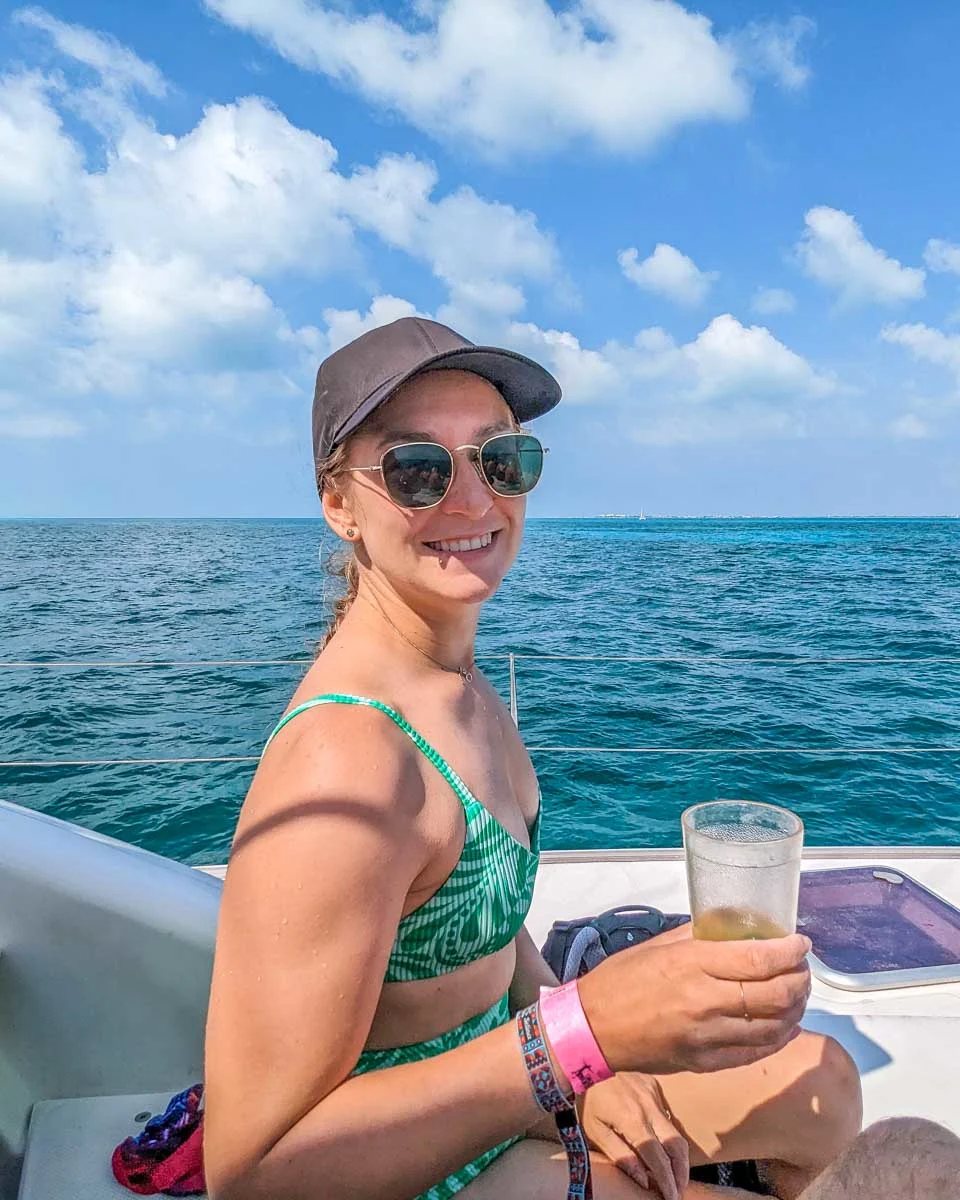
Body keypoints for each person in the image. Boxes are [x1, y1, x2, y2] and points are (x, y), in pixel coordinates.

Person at [203, 317, 862, 1200]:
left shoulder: (458, 685)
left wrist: (583, 1057)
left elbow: (483, 924)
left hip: (501, 1090)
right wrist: (578, 1037)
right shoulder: (347, 765)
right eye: (417, 469)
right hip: (408, 1167)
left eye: (500, 460)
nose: (473, 501)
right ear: (340, 503)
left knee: (824, 1086)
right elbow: (253, 1177)